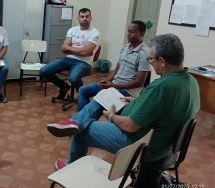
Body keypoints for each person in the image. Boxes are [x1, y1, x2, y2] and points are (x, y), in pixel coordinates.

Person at [47, 34, 200, 170]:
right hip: (160, 141)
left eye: (151, 59)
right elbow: (166, 108)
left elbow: (130, 126)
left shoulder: (162, 86)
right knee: (104, 96)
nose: (150, 64)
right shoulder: (191, 81)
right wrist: (138, 101)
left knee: (82, 132)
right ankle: (75, 121)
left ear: (162, 61)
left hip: (141, 144)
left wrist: (112, 116)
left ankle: (72, 165)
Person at [77, 20, 150, 111]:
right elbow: (117, 69)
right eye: (128, 31)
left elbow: (139, 82)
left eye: (132, 32)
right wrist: (106, 80)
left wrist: (114, 86)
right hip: (114, 85)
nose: (128, 34)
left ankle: (82, 121)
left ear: (141, 33)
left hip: (128, 91)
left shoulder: (145, 53)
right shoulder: (125, 47)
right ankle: (81, 120)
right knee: (83, 90)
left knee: (99, 100)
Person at [39, 8, 100, 99]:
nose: (84, 19)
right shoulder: (72, 30)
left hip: (84, 63)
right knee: (43, 71)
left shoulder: (95, 33)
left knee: (73, 79)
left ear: (91, 18)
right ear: (78, 18)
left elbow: (85, 52)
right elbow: (64, 49)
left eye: (87, 16)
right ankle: (63, 86)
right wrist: (81, 51)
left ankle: (81, 91)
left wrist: (71, 49)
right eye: (82, 16)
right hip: (68, 59)